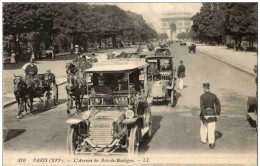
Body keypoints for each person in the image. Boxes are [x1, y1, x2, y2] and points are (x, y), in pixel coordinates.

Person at [200, 83, 221, 149]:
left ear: (204, 88)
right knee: (211, 128)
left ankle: (203, 139)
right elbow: (218, 104)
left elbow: (201, 107)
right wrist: (217, 113)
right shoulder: (214, 96)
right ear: (209, 88)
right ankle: (211, 143)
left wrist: (204, 114)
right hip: (212, 113)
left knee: (204, 127)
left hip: (205, 113)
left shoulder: (202, 96)